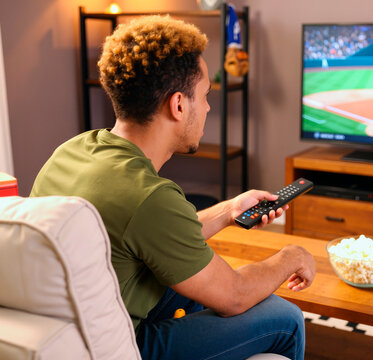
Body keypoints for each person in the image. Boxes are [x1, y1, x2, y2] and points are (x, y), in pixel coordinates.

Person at [31, 16, 316, 360]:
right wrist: (292, 256)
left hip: (69, 328)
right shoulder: (150, 196)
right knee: (285, 317)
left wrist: (228, 211)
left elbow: (150, 233)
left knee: (197, 282)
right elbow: (235, 296)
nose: (209, 107)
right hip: (121, 344)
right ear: (178, 104)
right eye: (205, 95)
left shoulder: (72, 151)